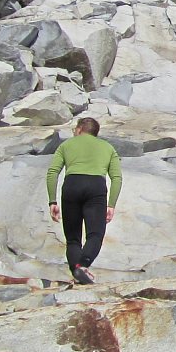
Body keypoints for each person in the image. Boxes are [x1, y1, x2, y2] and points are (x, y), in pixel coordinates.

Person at [46, 117, 122, 284]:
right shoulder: (108, 148)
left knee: (73, 239)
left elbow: (52, 172)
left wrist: (52, 201)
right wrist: (111, 204)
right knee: (95, 234)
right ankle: (82, 266)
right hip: (96, 187)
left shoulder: (66, 145)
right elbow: (117, 178)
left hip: (72, 185)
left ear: (80, 129)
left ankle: (77, 271)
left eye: (75, 129)